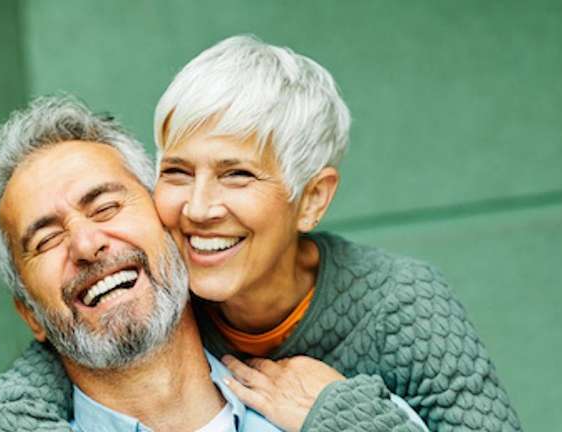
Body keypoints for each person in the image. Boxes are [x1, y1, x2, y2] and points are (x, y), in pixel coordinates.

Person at [150, 35, 522, 431]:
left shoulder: (401, 304)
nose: (199, 207)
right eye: (178, 172)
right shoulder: (149, 300)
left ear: (312, 199)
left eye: (237, 175)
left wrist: (340, 417)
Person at [0, 96, 282, 431]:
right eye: (47, 240)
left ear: (171, 229)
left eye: (105, 207)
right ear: (31, 315)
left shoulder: (319, 414)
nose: (86, 245)